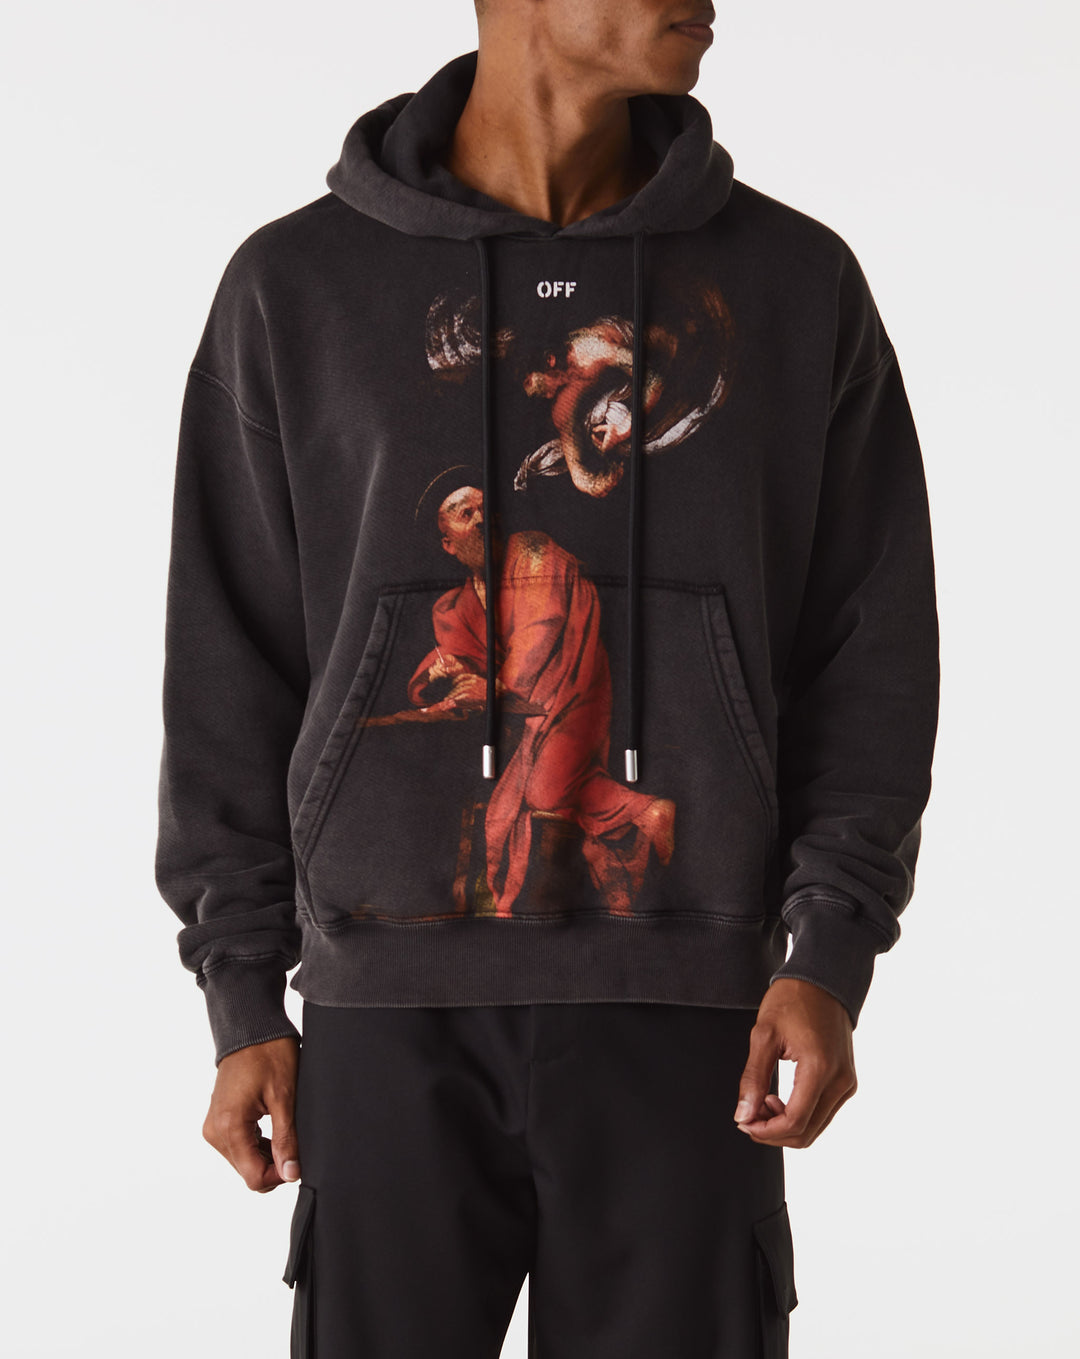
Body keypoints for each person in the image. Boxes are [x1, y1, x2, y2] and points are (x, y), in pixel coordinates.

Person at [155, 2, 940, 1355]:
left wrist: (830, 950)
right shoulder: (298, 285)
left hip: (695, 1007)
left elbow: (870, 652)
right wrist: (241, 996)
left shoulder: (793, 283)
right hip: (382, 1013)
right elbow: (231, 661)